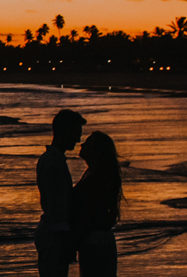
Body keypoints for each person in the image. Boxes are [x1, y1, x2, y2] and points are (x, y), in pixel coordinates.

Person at [36, 108, 86, 277]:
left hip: (53, 234)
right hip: (54, 236)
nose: (78, 139)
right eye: (76, 133)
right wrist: (67, 241)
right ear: (65, 132)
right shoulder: (53, 163)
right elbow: (57, 207)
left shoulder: (52, 159)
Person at [72, 131, 122, 277]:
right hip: (95, 238)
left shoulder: (99, 177)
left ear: (97, 151)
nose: (82, 145)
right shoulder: (95, 173)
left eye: (88, 144)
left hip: (95, 240)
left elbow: (89, 212)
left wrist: (74, 240)